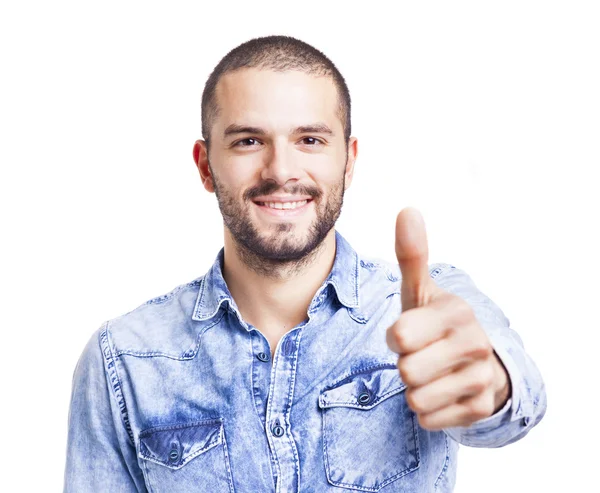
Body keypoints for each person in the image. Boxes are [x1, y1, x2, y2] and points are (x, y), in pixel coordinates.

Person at [63, 35, 546, 492]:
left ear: (349, 161)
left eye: (310, 140)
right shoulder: (123, 359)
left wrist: (492, 386)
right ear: (206, 166)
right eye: (249, 141)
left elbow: (518, 400)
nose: (281, 170)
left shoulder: (427, 305)